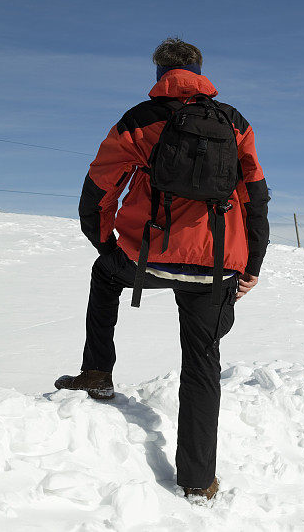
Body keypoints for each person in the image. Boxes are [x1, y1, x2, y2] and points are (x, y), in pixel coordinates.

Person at [54, 38, 269, 501]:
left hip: (146, 257)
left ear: (159, 74)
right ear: (199, 70)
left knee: (104, 274)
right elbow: (255, 197)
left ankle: (97, 373)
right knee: (201, 365)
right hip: (215, 269)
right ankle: (196, 480)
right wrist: (251, 265)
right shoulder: (234, 123)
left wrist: (108, 242)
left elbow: (98, 188)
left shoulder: (139, 120)